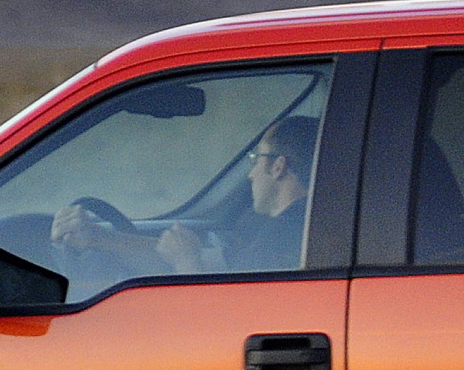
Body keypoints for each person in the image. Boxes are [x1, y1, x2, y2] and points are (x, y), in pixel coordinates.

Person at [49, 114, 316, 280]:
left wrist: (186, 262)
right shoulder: (294, 229)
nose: (250, 175)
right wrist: (100, 239)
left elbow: (224, 321)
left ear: (278, 166)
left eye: (256, 159)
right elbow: (217, 262)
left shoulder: (286, 236)